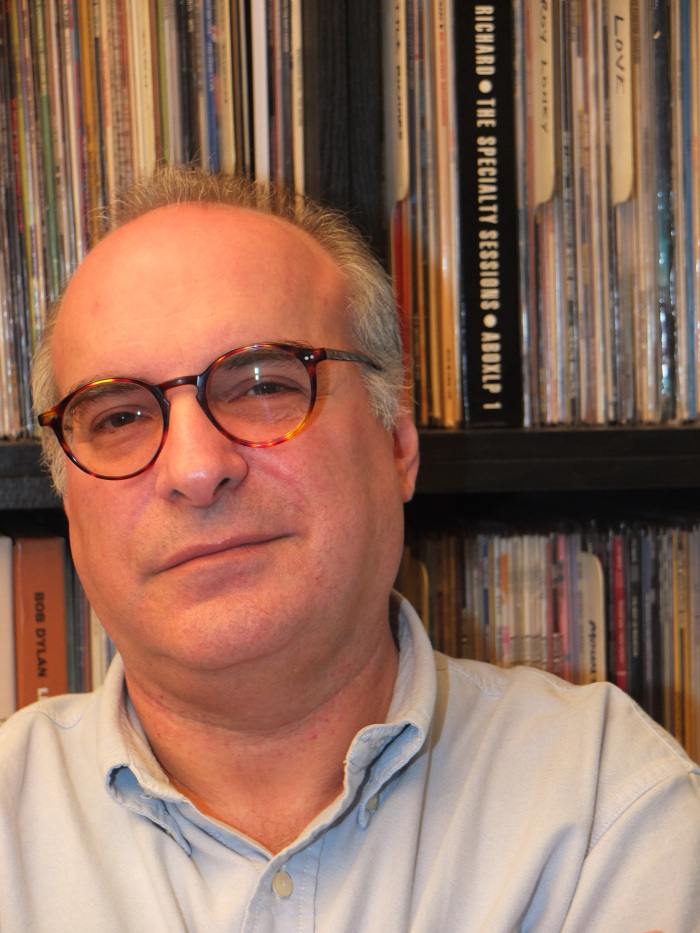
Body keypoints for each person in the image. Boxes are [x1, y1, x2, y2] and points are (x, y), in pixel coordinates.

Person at [0, 167, 698, 933]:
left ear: (397, 442)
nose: (196, 470)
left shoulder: (604, 804)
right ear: (70, 500)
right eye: (119, 416)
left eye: (262, 384)